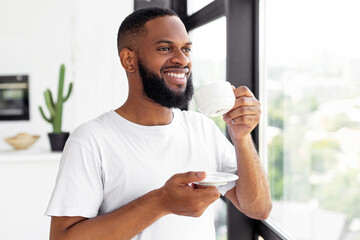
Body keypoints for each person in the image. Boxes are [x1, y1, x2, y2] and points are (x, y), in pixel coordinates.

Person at [45, 7, 272, 240]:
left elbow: (258, 208)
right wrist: (161, 202)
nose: (182, 59)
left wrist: (242, 138)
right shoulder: (91, 139)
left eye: (186, 49)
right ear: (129, 60)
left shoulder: (201, 127)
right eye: (165, 48)